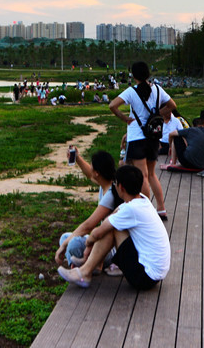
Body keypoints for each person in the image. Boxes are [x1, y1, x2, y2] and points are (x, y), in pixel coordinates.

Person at [56, 165, 170, 291]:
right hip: (154, 274)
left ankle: (85, 272)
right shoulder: (142, 200)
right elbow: (114, 215)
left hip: (144, 278)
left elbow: (98, 233)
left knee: (111, 229)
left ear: (120, 187)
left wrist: (88, 244)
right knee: (111, 225)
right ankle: (92, 266)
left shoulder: (131, 209)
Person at [109, 62, 175, 221]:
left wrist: (125, 118)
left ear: (133, 75)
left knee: (142, 176)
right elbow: (172, 105)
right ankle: (161, 208)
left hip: (137, 137)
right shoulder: (158, 89)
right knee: (151, 174)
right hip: (153, 137)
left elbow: (112, 105)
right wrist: (158, 113)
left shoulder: (131, 91)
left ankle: (147, 212)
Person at [56, 150, 121, 270]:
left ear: (97, 173)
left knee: (72, 243)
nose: (90, 167)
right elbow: (89, 174)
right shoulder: (106, 183)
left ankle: (85, 267)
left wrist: (63, 246)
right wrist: (77, 158)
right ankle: (76, 266)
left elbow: (88, 226)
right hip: (99, 241)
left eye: (92, 165)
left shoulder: (110, 195)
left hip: (108, 250)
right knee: (65, 237)